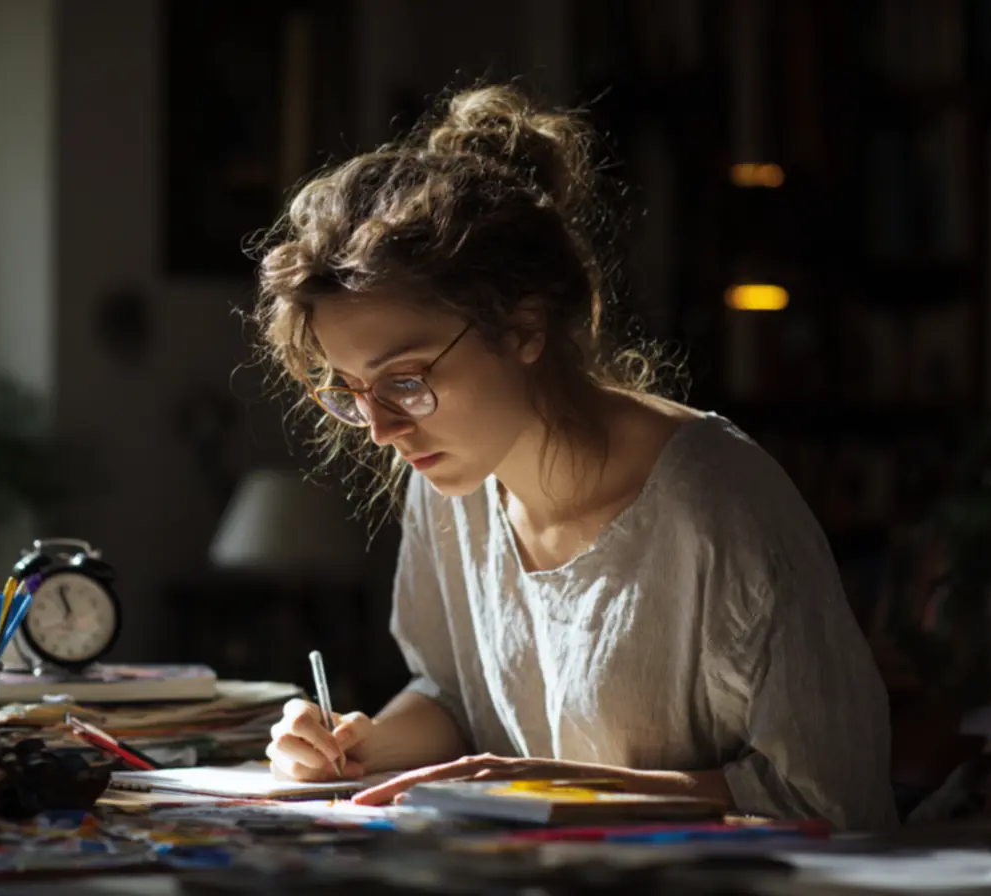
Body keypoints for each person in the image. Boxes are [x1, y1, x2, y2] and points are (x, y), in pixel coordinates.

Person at [252, 83, 898, 831]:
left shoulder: (715, 502)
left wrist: (555, 785)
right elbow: (456, 697)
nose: (381, 429)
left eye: (406, 380)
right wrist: (353, 746)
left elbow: (833, 797)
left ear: (525, 327)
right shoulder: (447, 477)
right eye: (352, 389)